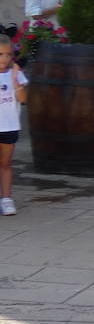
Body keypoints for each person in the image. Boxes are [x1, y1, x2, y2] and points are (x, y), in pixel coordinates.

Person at [0, 34, 27, 216]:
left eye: (8, 54)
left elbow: (23, 99)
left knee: (5, 163)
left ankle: (6, 198)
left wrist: (16, 82)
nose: (5, 59)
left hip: (8, 126)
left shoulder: (16, 73)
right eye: (1, 54)